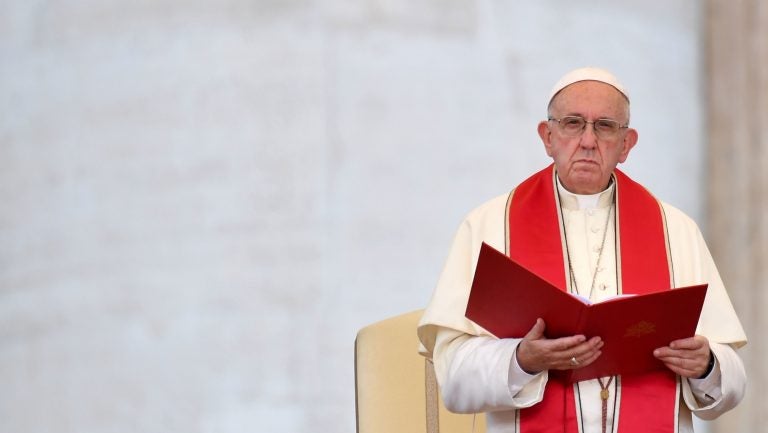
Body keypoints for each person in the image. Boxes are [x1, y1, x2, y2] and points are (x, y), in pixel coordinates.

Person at [417, 67, 747, 433]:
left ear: (627, 144)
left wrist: (706, 366)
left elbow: (732, 382)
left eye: (605, 126)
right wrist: (521, 360)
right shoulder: (489, 227)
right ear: (548, 136)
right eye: (573, 123)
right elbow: (452, 377)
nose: (588, 140)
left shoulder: (677, 231)